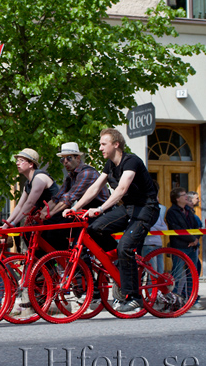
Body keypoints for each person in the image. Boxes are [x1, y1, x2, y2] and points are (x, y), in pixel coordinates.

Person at [64, 128, 160, 313]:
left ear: (116, 144)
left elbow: (122, 189)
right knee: (93, 230)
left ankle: (133, 297)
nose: (100, 147)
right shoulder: (109, 165)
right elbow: (94, 188)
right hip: (128, 208)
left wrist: (100, 209)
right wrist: (74, 208)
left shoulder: (131, 160)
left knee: (125, 247)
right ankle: (117, 261)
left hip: (146, 208)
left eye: (103, 144)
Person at [42, 142, 109, 250]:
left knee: (78, 246)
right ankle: (62, 261)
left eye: (68, 158)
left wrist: (50, 213)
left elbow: (69, 197)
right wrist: (44, 212)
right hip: (86, 213)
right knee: (50, 230)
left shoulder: (87, 173)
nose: (65, 162)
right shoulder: (71, 176)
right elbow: (58, 197)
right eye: (62, 159)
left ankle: (78, 263)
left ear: (78, 158)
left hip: (101, 212)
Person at [0, 149, 59, 229]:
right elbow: (19, 206)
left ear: (31, 164)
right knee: (27, 235)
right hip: (44, 218)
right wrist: (6, 224)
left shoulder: (39, 178)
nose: (17, 163)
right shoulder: (28, 184)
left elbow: (29, 203)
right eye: (17, 160)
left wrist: (13, 224)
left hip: (55, 219)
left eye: (21, 160)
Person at [165, 187, 203, 309]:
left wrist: (196, 239)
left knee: (192, 275)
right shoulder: (172, 212)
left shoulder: (188, 210)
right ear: (177, 199)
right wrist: (192, 239)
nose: (186, 196)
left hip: (192, 247)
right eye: (183, 195)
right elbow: (177, 229)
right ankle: (174, 301)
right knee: (177, 275)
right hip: (180, 247)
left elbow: (197, 226)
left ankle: (192, 301)